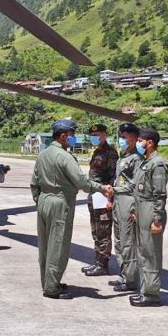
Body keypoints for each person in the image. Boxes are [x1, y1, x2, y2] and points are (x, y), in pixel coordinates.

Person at [30, 119, 105, 299]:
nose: (73, 139)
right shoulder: (65, 156)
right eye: (71, 135)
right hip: (60, 202)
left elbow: (34, 183)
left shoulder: (43, 154)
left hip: (43, 201)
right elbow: (82, 182)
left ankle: (48, 281)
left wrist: (40, 201)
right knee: (58, 245)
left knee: (45, 246)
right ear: (63, 136)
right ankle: (52, 288)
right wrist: (103, 188)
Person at [129, 128, 168, 306]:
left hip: (152, 210)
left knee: (151, 253)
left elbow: (159, 194)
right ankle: (145, 290)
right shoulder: (146, 162)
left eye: (140, 140)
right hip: (142, 209)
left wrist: (157, 219)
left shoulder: (157, 164)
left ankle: (152, 295)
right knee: (143, 252)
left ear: (150, 142)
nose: (138, 143)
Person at [105, 123, 143, 292]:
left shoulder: (136, 159)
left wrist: (115, 190)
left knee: (128, 242)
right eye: (121, 137)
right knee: (119, 240)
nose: (121, 140)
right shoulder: (123, 157)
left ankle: (131, 280)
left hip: (128, 201)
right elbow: (118, 180)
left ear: (134, 139)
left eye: (124, 137)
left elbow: (134, 185)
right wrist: (112, 197)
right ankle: (123, 274)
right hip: (118, 200)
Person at [82, 124, 119, 276]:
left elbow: (114, 177)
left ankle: (102, 265)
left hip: (104, 197)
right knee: (96, 230)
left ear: (104, 135)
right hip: (95, 196)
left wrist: (111, 199)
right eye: (92, 135)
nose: (94, 137)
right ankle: (97, 261)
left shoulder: (110, 153)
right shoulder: (97, 151)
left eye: (98, 135)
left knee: (103, 231)